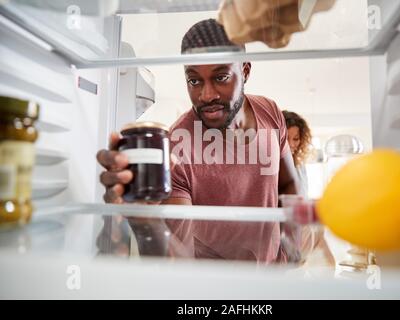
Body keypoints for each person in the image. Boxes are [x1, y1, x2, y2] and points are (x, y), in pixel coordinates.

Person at [96, 19, 300, 263]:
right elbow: (178, 261)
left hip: (274, 278)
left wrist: (291, 246)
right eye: (194, 80)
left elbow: (289, 185)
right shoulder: (177, 146)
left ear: (245, 70)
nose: (206, 95)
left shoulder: (270, 110)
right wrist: (145, 219)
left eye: (221, 77)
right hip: (213, 288)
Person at [282, 110, 312, 199]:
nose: (291, 144)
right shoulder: (270, 167)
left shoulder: (300, 166)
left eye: (296, 139)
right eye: (286, 138)